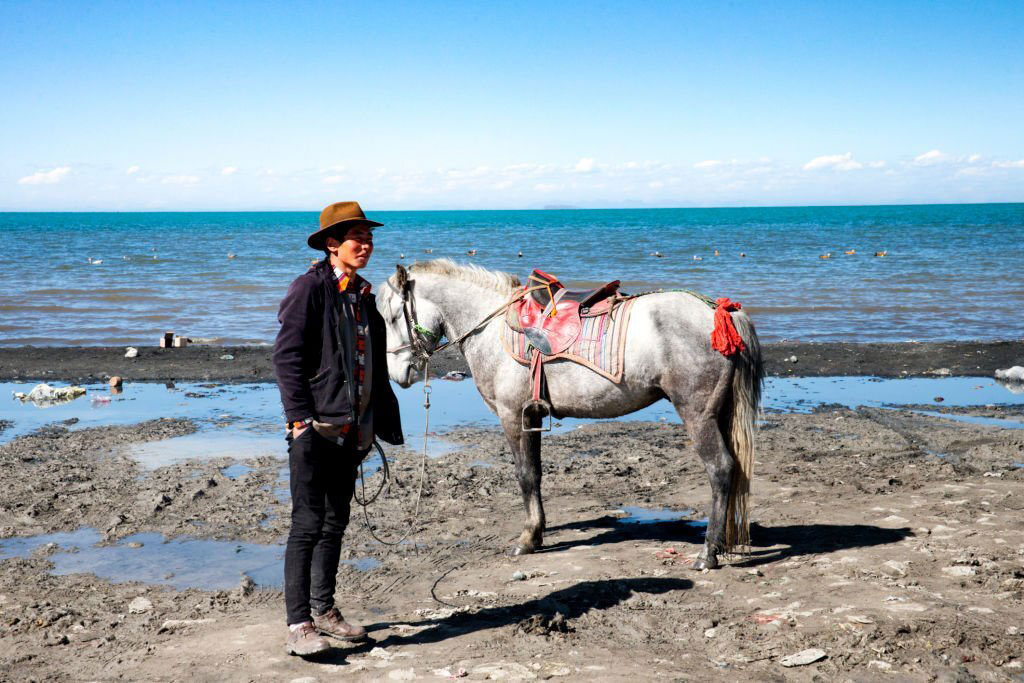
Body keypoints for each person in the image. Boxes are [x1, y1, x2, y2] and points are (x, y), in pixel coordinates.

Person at [272, 201, 403, 656]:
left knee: (335, 522)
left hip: (353, 430)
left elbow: (373, 365)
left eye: (369, 239)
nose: (366, 245)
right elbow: (286, 358)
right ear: (333, 244)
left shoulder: (363, 295)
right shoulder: (308, 289)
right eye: (356, 239)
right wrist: (299, 420)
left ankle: (324, 610)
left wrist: (374, 422)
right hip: (314, 428)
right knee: (306, 524)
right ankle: (298, 625)